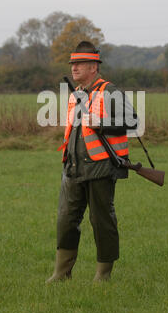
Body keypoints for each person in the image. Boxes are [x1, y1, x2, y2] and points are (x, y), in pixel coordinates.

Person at [46, 41, 137, 283]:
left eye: (79, 64)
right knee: (65, 220)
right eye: (72, 64)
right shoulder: (76, 93)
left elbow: (133, 121)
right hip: (73, 167)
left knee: (102, 222)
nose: (74, 68)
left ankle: (102, 276)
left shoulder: (110, 92)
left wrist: (102, 124)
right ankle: (61, 274)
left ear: (94, 67)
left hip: (100, 167)